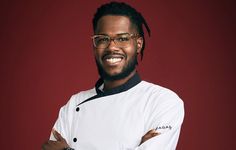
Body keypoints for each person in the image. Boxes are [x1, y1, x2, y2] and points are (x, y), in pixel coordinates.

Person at [42, 1, 184, 150]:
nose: (112, 47)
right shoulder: (74, 104)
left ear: (138, 44)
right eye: (103, 39)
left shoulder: (163, 102)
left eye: (122, 38)